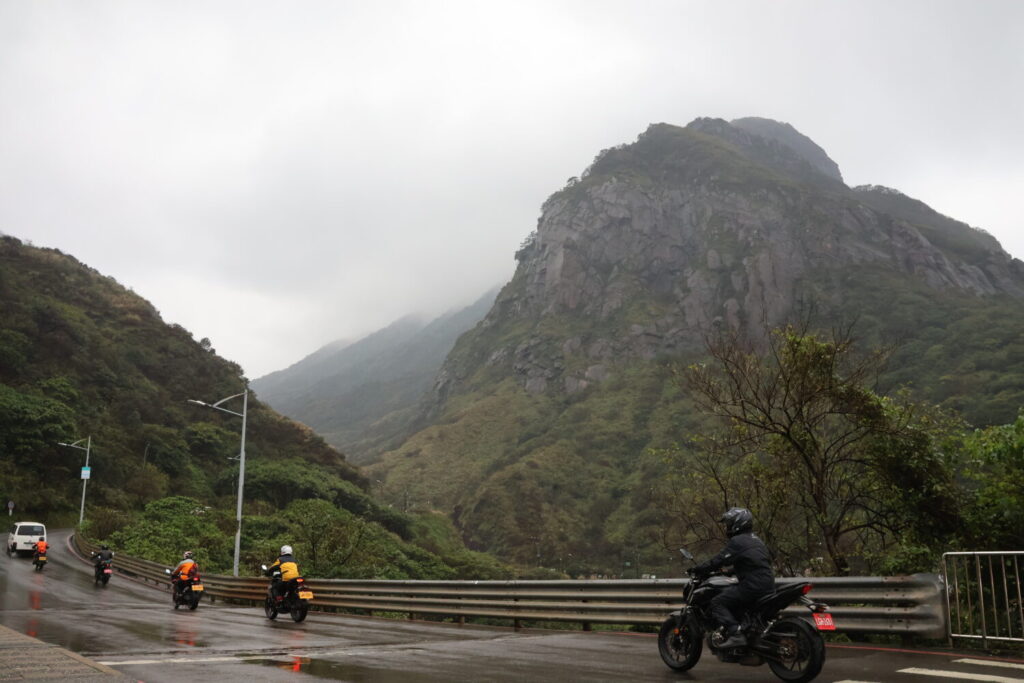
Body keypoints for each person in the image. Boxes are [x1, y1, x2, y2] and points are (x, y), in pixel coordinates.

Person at [691, 507, 774, 649]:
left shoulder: (737, 541)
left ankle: (736, 633)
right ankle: (748, 632)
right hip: (768, 585)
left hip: (752, 586)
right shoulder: (757, 540)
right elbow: (756, 562)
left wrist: (698, 569)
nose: (727, 527)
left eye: (729, 524)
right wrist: (731, 571)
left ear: (738, 523)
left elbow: (718, 560)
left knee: (717, 602)